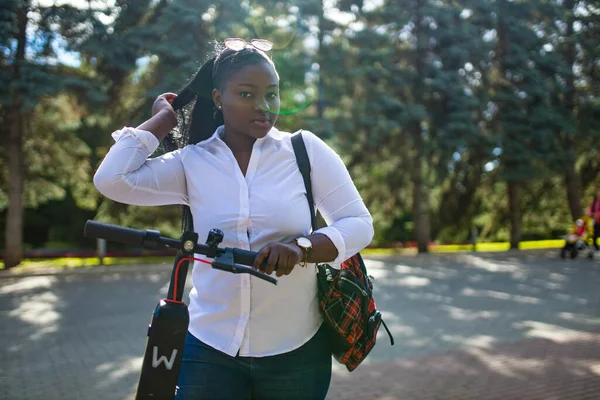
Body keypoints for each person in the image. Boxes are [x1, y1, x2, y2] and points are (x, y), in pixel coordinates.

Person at [93, 38, 374, 400]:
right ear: (217, 98)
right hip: (210, 345)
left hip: (297, 348)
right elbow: (112, 179)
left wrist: (301, 248)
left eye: (272, 94)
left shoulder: (305, 151)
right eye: (246, 94)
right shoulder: (191, 162)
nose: (263, 106)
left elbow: (358, 222)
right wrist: (166, 118)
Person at [587, 187, 600, 252]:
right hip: (595, 221)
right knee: (594, 233)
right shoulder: (594, 203)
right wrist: (591, 214)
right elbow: (589, 211)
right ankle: (595, 245)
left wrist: (596, 215)